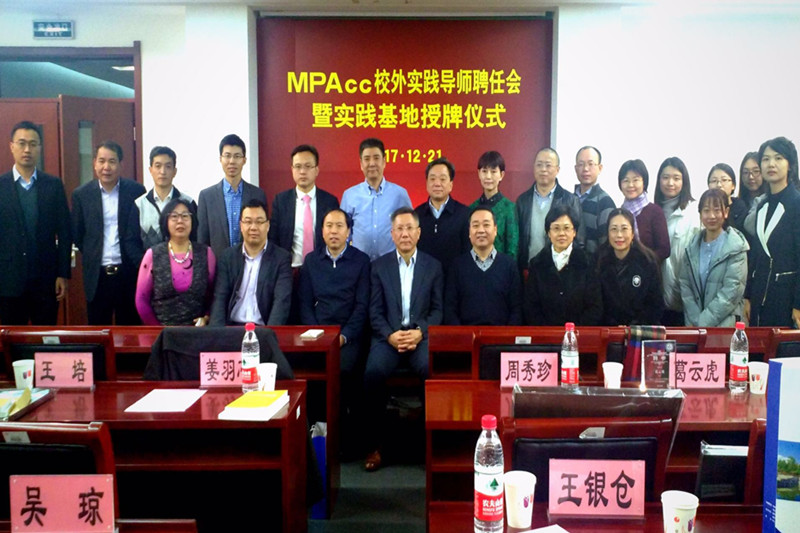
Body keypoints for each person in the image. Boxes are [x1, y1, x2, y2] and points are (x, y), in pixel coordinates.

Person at [364, 207, 443, 471]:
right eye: (399, 229)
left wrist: (420, 331)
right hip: (388, 338)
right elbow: (374, 311)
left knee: (430, 371)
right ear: (392, 234)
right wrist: (390, 335)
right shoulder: (379, 267)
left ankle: (428, 446)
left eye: (410, 228)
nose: (405, 234)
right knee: (373, 373)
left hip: (420, 338)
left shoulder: (433, 266)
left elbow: (437, 311)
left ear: (419, 233)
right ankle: (376, 446)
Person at [298, 209, 370, 435]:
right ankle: (316, 431)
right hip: (318, 335)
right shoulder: (311, 261)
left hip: (349, 335)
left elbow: (362, 307)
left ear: (349, 232)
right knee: (309, 370)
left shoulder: (361, 261)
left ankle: (345, 434)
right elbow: (305, 304)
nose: (334, 231)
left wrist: (344, 336)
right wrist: (317, 334)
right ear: (322, 231)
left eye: (340, 226)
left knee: (344, 370)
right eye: (329, 226)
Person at [0, 121, 71, 325]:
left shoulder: (53, 185)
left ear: (39, 148)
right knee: (11, 339)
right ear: (11, 146)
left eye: (33, 144)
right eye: (21, 143)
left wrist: (63, 273)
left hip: (46, 280)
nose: (27, 150)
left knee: (45, 337)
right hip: (8, 281)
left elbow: (65, 232)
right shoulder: (1, 186)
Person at [72, 140, 145, 325]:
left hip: (127, 273)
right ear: (94, 163)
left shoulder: (136, 191)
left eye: (112, 161)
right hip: (97, 276)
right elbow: (78, 235)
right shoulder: (81, 195)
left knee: (129, 331)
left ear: (121, 165)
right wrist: (94, 252)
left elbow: (139, 232)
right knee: (98, 331)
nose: (106, 167)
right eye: (102, 161)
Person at [744, 136, 800, 327]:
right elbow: (756, 255)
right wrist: (748, 295)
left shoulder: (797, 204)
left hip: (787, 298)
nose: (771, 164)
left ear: (790, 164)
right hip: (759, 295)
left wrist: (799, 304)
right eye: (766, 159)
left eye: (778, 158)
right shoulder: (762, 206)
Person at [209, 199, 292, 326]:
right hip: (232, 328)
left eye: (259, 222)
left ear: (268, 225)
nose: (253, 227)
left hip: (263, 329)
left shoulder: (281, 259)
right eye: (248, 222)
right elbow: (220, 298)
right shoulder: (228, 257)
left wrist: (269, 334)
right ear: (241, 226)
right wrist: (217, 334)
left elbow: (281, 303)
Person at [135, 198, 215, 326]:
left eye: (185, 216)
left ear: (193, 221)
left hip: (198, 332)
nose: (180, 221)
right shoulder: (153, 254)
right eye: (174, 216)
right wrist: (157, 330)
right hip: (161, 332)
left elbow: (214, 294)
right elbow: (141, 299)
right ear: (165, 222)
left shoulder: (206, 253)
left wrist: (206, 317)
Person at [680, 189, 749, 327]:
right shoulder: (691, 247)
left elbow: (731, 292)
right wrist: (696, 320)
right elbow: (685, 285)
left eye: (717, 210)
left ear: (726, 212)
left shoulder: (736, 247)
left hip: (727, 326)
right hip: (695, 326)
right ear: (700, 214)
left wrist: (703, 322)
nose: (711, 216)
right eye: (706, 211)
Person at [524, 204, 602, 326]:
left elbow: (595, 306)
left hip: (579, 333)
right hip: (546, 334)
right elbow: (531, 307)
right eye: (556, 228)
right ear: (548, 233)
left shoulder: (587, 262)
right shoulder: (537, 264)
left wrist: (574, 332)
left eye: (566, 228)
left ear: (574, 232)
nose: (561, 233)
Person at [444, 207, 522, 325]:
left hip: (501, 335)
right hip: (466, 335)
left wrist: (506, 335)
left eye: (486, 225)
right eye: (475, 225)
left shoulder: (509, 265)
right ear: (469, 232)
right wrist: (461, 334)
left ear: (495, 230)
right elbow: (450, 309)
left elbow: (517, 309)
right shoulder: (457, 266)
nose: (481, 230)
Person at [197, 134, 267, 260]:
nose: (232, 161)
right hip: (218, 266)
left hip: (250, 263)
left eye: (237, 156)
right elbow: (202, 240)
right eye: (227, 156)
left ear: (244, 160)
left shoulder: (258, 194)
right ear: (220, 159)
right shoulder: (207, 197)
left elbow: (263, 234)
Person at [340, 138, 412, 261]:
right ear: (361, 163)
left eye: (376, 158)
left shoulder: (400, 194)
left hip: (390, 264)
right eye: (367, 159)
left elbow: (409, 230)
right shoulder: (349, 195)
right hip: (358, 264)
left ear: (384, 161)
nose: (372, 163)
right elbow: (343, 234)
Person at [268, 144, 339, 267]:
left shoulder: (329, 201)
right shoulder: (281, 201)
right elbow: (273, 239)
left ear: (316, 170)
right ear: (292, 169)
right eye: (298, 166)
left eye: (308, 166)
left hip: (322, 269)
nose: (302, 172)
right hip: (289, 269)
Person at [516, 147, 581, 271]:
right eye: (539, 165)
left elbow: (579, 239)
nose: (543, 169)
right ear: (534, 168)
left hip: (560, 270)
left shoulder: (571, 200)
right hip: (528, 268)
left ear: (557, 169)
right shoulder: (522, 201)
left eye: (548, 165)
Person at [597, 208, 664, 326]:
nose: (619, 235)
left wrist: (633, 327)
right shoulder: (599, 260)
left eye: (624, 229)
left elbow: (655, 304)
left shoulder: (648, 261)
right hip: (608, 329)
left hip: (640, 329)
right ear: (607, 233)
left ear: (633, 233)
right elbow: (595, 303)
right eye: (614, 229)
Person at [655, 157, 699, 325]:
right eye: (665, 177)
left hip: (685, 294)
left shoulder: (693, 213)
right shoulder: (653, 211)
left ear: (684, 181)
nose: (670, 183)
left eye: (676, 178)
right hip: (657, 294)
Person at [135, 146, 197, 250]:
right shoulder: (139, 204)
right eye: (158, 166)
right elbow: (132, 242)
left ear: (174, 171)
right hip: (148, 260)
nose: (162, 171)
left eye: (168, 167)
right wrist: (148, 259)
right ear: (150, 170)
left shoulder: (188, 203)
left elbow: (195, 236)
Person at [414, 157, 470, 272]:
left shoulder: (464, 214)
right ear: (426, 183)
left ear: (451, 184)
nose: (437, 184)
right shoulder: (417, 214)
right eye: (432, 179)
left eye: (443, 179)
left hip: (454, 279)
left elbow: (468, 254)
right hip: (425, 280)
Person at [469, 150, 518, 260]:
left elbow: (512, 249)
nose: (488, 176)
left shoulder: (510, 208)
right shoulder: (471, 209)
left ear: (501, 175)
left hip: (502, 268)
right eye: (484, 171)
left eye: (493, 171)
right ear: (479, 174)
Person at [618, 159, 671, 260]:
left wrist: (642, 262)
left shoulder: (655, 212)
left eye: (635, 180)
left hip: (649, 268)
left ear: (644, 182)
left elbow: (664, 250)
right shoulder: (619, 214)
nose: (630, 185)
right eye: (626, 180)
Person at [573, 145, 615, 255]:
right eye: (581, 164)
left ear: (600, 168)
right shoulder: (569, 200)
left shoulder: (605, 202)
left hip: (595, 263)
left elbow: (606, 245)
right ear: (575, 169)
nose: (585, 169)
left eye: (591, 164)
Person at [708, 162, 748, 232]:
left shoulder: (740, 207)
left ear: (733, 185)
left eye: (724, 180)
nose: (719, 185)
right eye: (714, 181)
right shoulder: (705, 206)